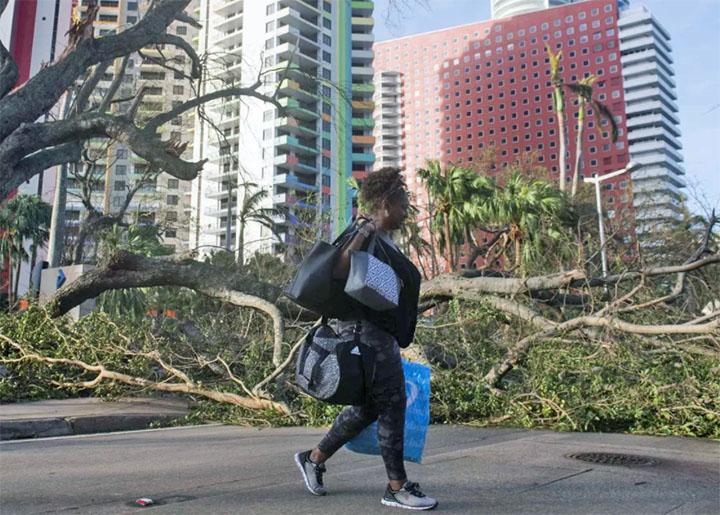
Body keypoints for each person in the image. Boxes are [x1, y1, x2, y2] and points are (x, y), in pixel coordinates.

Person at [294, 167, 437, 511]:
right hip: (366, 335)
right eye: (403, 205)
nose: (406, 212)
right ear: (387, 203)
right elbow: (342, 269)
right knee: (392, 403)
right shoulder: (366, 229)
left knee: (370, 408)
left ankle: (313, 458)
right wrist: (365, 229)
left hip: (378, 333)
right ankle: (397, 487)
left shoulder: (383, 237)